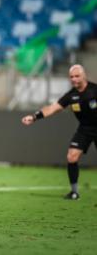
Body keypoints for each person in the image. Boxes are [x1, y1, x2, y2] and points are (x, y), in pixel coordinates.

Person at [22, 64, 97, 200]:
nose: (74, 79)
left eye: (77, 76)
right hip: (85, 129)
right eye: (71, 77)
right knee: (72, 156)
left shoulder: (94, 90)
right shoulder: (71, 95)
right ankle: (74, 192)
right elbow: (53, 108)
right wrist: (34, 117)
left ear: (84, 75)